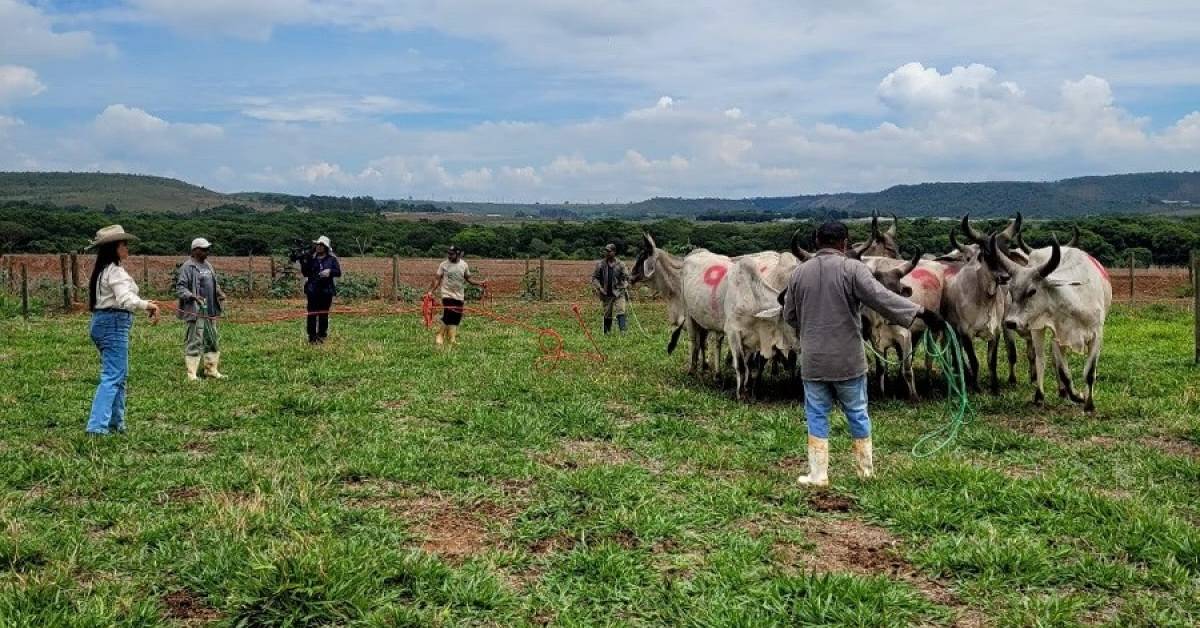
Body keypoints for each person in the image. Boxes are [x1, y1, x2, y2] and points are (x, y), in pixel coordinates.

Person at [782, 221, 945, 486]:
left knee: (816, 414)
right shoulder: (853, 268)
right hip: (849, 358)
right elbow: (882, 298)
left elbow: (789, 315)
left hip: (813, 359)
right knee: (857, 412)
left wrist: (812, 325)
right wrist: (921, 312)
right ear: (845, 244)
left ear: (816, 242)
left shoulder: (800, 273)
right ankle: (865, 472)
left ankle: (818, 474)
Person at [85, 225, 160, 435]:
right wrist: (147, 305)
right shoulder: (115, 271)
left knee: (118, 374)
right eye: (124, 244)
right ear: (114, 247)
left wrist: (144, 302)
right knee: (113, 375)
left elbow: (124, 298)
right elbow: (124, 299)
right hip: (114, 324)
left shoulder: (103, 270)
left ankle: (116, 423)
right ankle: (97, 426)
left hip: (103, 322)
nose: (127, 248)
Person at [176, 237, 226, 381]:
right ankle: (191, 374)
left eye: (207, 249)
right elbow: (180, 287)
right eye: (203, 249)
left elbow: (213, 283)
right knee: (195, 340)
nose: (207, 252)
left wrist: (220, 293)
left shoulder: (208, 266)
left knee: (212, 339)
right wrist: (192, 296)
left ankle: (211, 370)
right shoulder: (188, 267)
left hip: (211, 310)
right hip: (196, 311)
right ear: (195, 251)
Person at [428, 246, 485, 346]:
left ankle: (452, 339)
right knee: (449, 313)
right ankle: (440, 335)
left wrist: (480, 283)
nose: (449, 256)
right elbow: (437, 279)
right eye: (448, 254)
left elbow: (468, 279)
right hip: (447, 293)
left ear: (458, 255)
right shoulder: (443, 265)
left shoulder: (464, 265)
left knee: (456, 317)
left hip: (459, 295)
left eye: (451, 254)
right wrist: (431, 291)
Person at [300, 235, 341, 344]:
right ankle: (312, 337)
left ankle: (322, 335)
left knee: (323, 314)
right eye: (317, 244)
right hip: (312, 289)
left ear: (326, 247)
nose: (318, 247)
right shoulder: (311, 260)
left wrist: (329, 272)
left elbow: (338, 272)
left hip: (326, 290)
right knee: (312, 314)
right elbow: (305, 273)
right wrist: (303, 262)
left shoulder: (332, 260)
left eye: (321, 245)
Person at [591, 243, 629, 334]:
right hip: (606, 293)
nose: (607, 253)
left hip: (619, 292)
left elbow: (627, 277)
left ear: (614, 252)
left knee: (621, 310)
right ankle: (606, 333)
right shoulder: (600, 264)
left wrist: (625, 284)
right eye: (606, 251)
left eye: (609, 251)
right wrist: (600, 288)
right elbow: (595, 278)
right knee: (607, 314)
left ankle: (623, 332)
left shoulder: (621, 264)